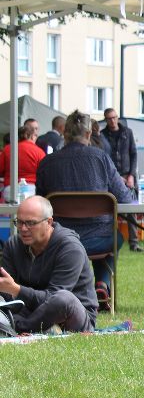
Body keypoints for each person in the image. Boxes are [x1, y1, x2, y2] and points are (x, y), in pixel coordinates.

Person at [34, 111, 136, 306]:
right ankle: (102, 284)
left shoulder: (48, 163)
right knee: (116, 237)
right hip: (100, 240)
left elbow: (39, 204)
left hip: (60, 239)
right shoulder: (102, 159)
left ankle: (66, 287)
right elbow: (123, 197)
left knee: (95, 234)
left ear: (64, 133)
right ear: (89, 134)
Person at [0, 196, 98, 334]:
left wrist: (16, 290)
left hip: (70, 316)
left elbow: (52, 298)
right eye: (19, 222)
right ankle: (35, 329)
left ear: (49, 222)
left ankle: (18, 329)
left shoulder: (70, 248)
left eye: (30, 223)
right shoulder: (13, 245)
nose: (23, 228)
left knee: (63, 299)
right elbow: (7, 296)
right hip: (27, 311)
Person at [101, 108, 142, 252]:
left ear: (117, 117)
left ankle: (134, 242)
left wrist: (131, 175)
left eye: (114, 117)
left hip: (128, 174)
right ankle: (110, 240)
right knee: (110, 209)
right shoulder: (102, 135)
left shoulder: (127, 132)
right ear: (106, 119)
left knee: (132, 209)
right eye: (109, 118)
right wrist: (116, 177)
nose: (112, 121)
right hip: (112, 176)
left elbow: (134, 154)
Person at [0, 125, 45, 197]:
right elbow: (43, 174)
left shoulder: (7, 149)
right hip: (32, 190)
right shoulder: (40, 152)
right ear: (32, 136)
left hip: (10, 189)